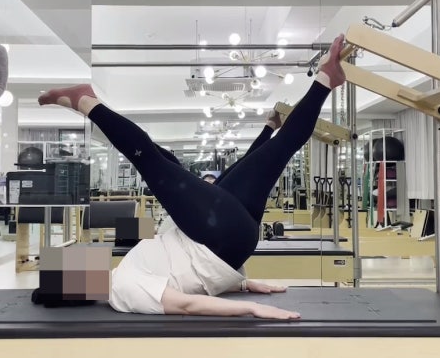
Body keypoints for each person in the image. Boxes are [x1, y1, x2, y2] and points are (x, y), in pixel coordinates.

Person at [39, 34, 348, 320]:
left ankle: (325, 79)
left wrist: (242, 285)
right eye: (70, 271)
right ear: (76, 289)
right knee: (150, 161)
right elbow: (186, 304)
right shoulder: (121, 289)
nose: (77, 264)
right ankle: (87, 103)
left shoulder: (124, 273)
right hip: (215, 240)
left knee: (267, 152)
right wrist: (252, 308)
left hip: (219, 238)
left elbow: (187, 279)